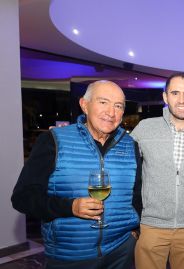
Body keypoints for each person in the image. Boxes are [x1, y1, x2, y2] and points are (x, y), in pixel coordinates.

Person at [11, 80, 141, 269]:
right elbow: (22, 197)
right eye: (103, 102)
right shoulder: (53, 140)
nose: (111, 112)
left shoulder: (130, 145)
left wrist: (134, 232)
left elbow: (138, 193)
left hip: (121, 251)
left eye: (118, 106)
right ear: (84, 105)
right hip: (69, 256)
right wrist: (70, 207)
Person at [131, 72, 184, 269]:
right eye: (175, 93)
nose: (182, 100)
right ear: (165, 97)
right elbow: (125, 166)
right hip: (151, 224)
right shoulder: (145, 128)